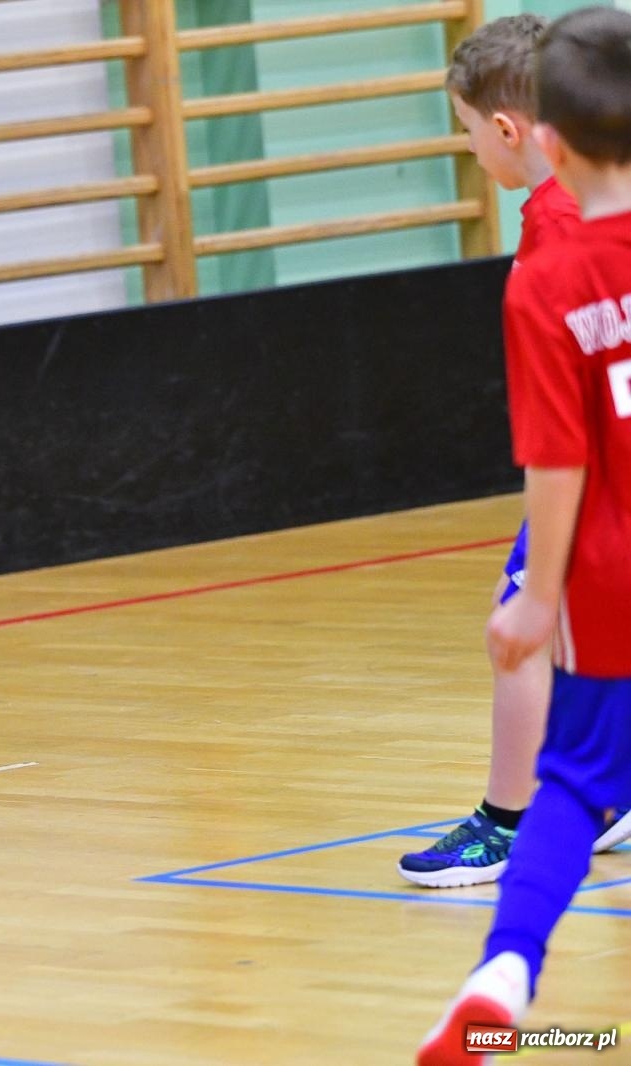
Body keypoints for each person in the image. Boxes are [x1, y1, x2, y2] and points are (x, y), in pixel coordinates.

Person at [417, 7, 631, 1060]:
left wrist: (536, 588)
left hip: (604, 543)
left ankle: (502, 962)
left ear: (534, 136)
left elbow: (560, 456)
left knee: (575, 777)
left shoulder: (549, 266)